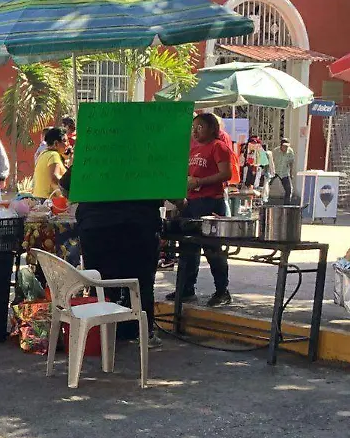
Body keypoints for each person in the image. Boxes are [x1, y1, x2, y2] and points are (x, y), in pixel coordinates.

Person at [61, 163, 162, 345]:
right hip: (140, 225)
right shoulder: (150, 146)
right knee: (142, 283)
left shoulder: (99, 149)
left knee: (100, 282)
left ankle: (102, 333)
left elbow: (65, 187)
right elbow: (172, 192)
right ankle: (144, 333)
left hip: (96, 226)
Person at [168, 113, 233, 307]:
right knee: (188, 247)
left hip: (211, 202)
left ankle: (222, 291)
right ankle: (186, 289)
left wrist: (200, 181)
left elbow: (226, 173)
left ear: (212, 129)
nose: (195, 131)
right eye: (193, 128)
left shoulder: (219, 147)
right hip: (192, 203)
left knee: (212, 249)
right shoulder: (192, 149)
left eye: (200, 127)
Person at [33, 127, 69, 199]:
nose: (67, 144)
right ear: (56, 143)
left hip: (39, 199)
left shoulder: (44, 154)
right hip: (49, 201)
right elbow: (54, 178)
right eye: (65, 141)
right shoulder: (53, 155)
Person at [272, 137, 297, 201]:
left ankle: (287, 205)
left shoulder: (290, 151)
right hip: (275, 171)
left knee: (289, 189)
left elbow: (291, 162)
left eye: (287, 146)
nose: (286, 148)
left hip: (284, 172)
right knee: (266, 185)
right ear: (281, 146)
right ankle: (262, 201)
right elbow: (271, 161)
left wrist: (291, 173)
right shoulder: (275, 151)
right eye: (284, 146)